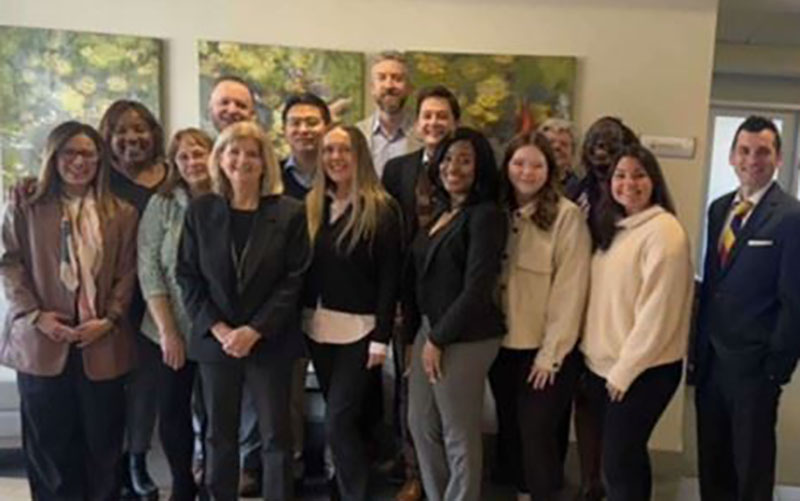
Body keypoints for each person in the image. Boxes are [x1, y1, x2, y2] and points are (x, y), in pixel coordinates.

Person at [0, 121, 138, 500]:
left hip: (102, 343)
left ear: (101, 160)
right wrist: (36, 316)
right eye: (70, 153)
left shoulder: (121, 213)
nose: (79, 161)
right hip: (42, 343)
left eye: (88, 153)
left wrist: (108, 320)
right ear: (54, 157)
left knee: (103, 447)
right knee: (49, 449)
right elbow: (10, 264)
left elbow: (128, 273)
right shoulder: (26, 205)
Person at [176, 121, 309, 501]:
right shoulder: (201, 211)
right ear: (220, 159)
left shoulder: (289, 213)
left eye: (252, 153)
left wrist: (255, 329)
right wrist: (219, 329)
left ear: (266, 162)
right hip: (216, 343)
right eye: (233, 151)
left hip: (270, 340)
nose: (242, 160)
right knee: (219, 435)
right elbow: (187, 276)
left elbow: (294, 279)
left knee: (276, 436)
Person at [693, 115, 800, 501]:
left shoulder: (791, 217)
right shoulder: (719, 209)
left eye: (762, 152)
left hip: (755, 367)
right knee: (713, 464)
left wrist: (777, 368)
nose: (751, 160)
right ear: (731, 155)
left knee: (751, 468)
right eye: (744, 150)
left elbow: (795, 301)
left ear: (779, 159)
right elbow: (713, 285)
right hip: (711, 361)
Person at [580, 144, 693, 500]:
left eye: (639, 175)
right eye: (620, 175)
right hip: (604, 367)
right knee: (624, 462)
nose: (629, 183)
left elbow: (658, 313)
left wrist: (624, 371)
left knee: (619, 464)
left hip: (641, 372)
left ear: (654, 181)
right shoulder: (614, 227)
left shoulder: (664, 232)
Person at [403, 127, 507, 501]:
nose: (453, 168)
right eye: (447, 159)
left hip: (467, 335)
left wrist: (438, 339)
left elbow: (477, 288)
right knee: (420, 423)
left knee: (458, 432)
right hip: (431, 329)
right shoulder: (444, 214)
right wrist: (424, 336)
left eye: (465, 160)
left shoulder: (487, 216)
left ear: (481, 168)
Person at [488, 132, 590, 501]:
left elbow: (571, 290)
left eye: (536, 164)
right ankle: (522, 493)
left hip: (545, 352)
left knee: (537, 436)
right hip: (500, 346)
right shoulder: (495, 212)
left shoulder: (567, 217)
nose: (526, 172)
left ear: (550, 170)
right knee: (511, 432)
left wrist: (551, 355)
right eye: (518, 163)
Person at [302, 124, 402, 500]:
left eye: (344, 150)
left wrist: (381, 339)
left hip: (361, 332)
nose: (335, 158)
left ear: (359, 155)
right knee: (341, 417)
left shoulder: (381, 209)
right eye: (328, 150)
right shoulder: (313, 206)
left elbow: (390, 278)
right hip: (316, 329)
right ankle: (341, 484)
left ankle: (352, 492)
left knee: (338, 419)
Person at [382, 84, 460, 501]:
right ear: (417, 122)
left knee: (445, 389)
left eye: (442, 116)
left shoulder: (467, 168)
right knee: (408, 384)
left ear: (455, 123)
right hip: (407, 293)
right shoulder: (398, 170)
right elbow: (390, 237)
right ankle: (413, 467)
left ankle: (445, 469)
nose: (433, 123)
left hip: (449, 299)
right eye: (427, 115)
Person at [97, 98, 169, 499]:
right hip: (109, 299)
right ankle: (109, 464)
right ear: (107, 137)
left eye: (139, 129)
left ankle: (137, 462)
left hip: (156, 301)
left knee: (146, 386)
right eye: (121, 130)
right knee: (107, 386)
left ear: (154, 134)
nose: (131, 138)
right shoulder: (99, 178)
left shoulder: (171, 176)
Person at [137, 128, 214, 500]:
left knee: (217, 412)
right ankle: (183, 483)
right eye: (184, 156)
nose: (193, 162)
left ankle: (215, 479)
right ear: (174, 163)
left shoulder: (230, 199)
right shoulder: (162, 204)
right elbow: (149, 268)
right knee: (173, 410)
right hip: (169, 328)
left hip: (216, 329)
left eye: (200, 153)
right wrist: (169, 332)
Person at [570, 116, 639, 501]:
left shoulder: (633, 195)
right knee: (584, 397)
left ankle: (613, 480)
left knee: (617, 399)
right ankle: (588, 479)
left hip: (616, 312)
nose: (601, 151)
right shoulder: (577, 190)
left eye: (610, 145)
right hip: (579, 306)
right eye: (595, 143)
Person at [280, 92, 331, 490]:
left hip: (338, 304)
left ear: (326, 127)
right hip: (286, 303)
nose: (304, 129)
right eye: (296, 122)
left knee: (342, 395)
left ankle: (337, 468)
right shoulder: (272, 179)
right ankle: (294, 466)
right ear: (284, 131)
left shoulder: (342, 174)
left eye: (312, 122)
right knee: (289, 392)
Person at [356, 51, 421, 177]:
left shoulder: (423, 134)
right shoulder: (358, 134)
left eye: (397, 78)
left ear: (409, 88)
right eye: (381, 78)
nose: (389, 85)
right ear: (372, 88)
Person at [538, 117, 580, 197]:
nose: (557, 147)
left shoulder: (580, 189)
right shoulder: (529, 183)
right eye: (550, 142)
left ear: (573, 152)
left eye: (564, 144)